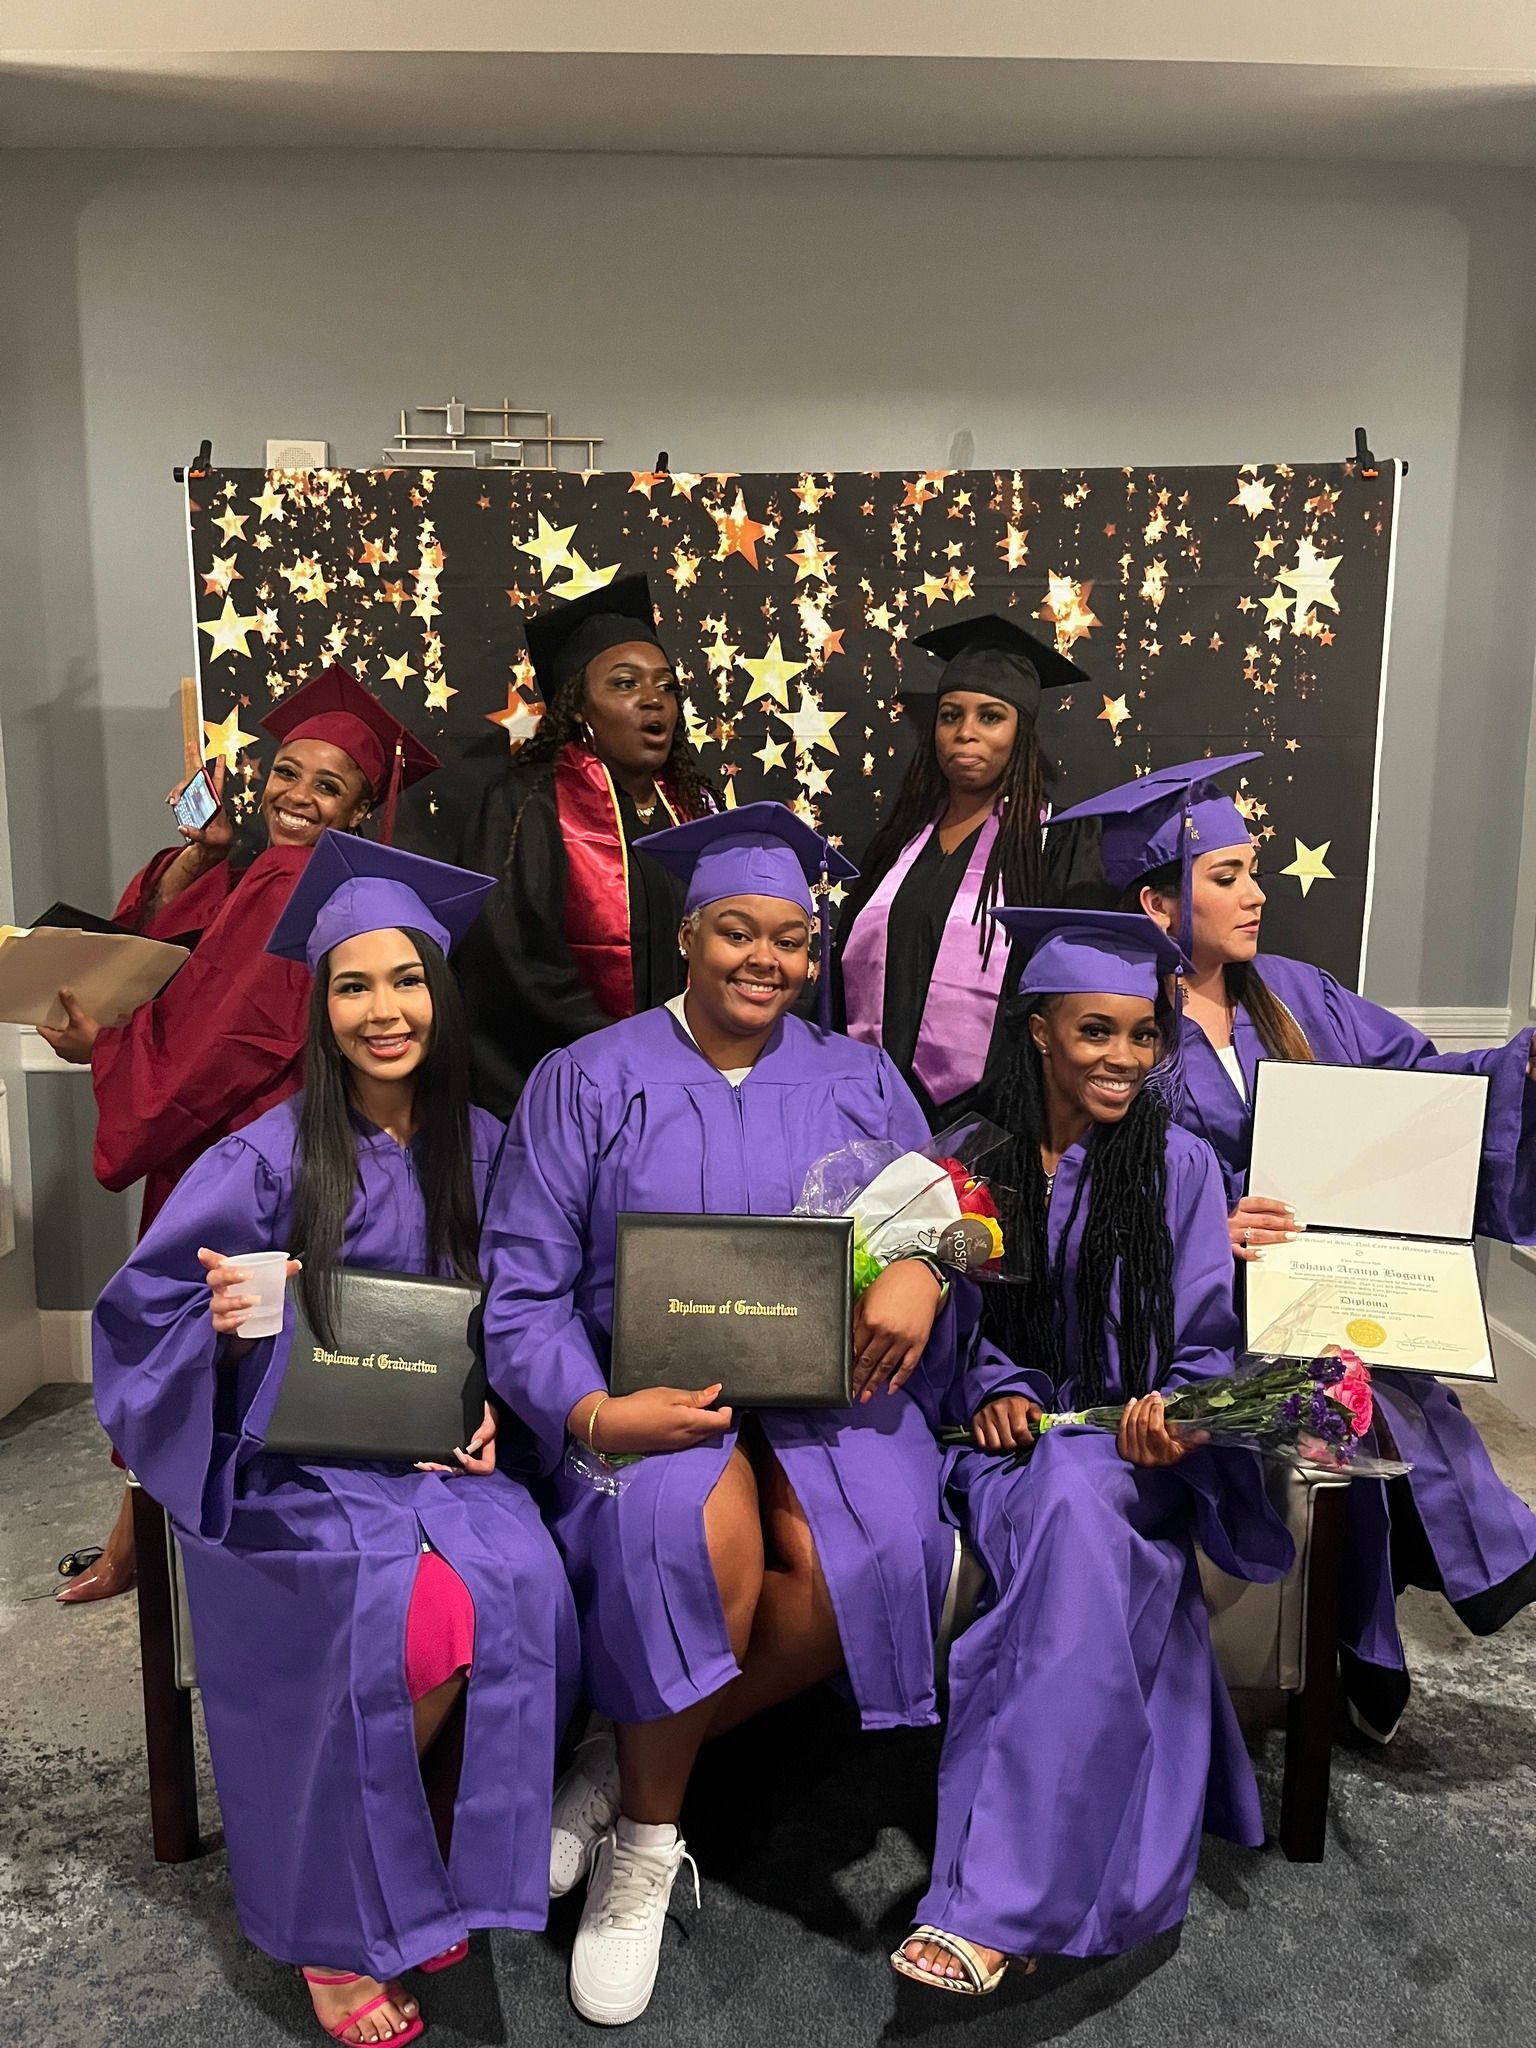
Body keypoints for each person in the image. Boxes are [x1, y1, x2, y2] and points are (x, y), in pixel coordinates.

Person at [93, 832, 578, 2048]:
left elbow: (523, 1309)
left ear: (439, 991)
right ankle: (329, 1919)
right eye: (353, 985)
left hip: (436, 1461)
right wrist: (216, 1328)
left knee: (513, 1590)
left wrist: (491, 1404)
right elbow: (136, 1317)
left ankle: (403, 1852)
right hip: (288, 1472)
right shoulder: (261, 1154)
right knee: (392, 1617)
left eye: (406, 979)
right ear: (319, 1006)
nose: (384, 1009)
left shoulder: (486, 1140)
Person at [479, 802, 957, 2026]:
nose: (766, 960)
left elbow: (938, 1214)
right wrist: (590, 1407)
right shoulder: (586, 1076)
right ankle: (644, 1846)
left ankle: (618, 1759)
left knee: (883, 1551)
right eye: (737, 931)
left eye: (791, 940)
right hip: (648, 1394)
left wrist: (930, 1264)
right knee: (685, 1537)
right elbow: (523, 1289)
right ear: (687, 935)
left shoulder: (861, 1075)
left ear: (812, 949)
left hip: (827, 1395)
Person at [1051, 754, 1536, 1742]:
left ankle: (1375, 1639)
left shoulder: (1295, 994)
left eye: (1253, 868)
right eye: (1225, 874)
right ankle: (1370, 1648)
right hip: (1191, 1304)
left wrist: (1523, 1060)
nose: (1255, 893)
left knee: (1390, 1378)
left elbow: (1423, 1089)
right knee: (1341, 1388)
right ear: (1155, 901)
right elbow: (1078, 1177)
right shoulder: (1119, 1026)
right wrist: (1199, 1223)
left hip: (1314, 1278)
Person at [894, 908, 1293, 1997]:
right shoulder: (965, 1158)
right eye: (1094, 1032)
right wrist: (992, 1385)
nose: (1123, 1057)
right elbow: (938, 1327)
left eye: (1142, 1034)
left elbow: (1211, 1343)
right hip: (1006, 1455)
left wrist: (1178, 1410)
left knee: (1079, 1498)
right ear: (1037, 1031)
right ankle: (1036, 1882)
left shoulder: (1180, 1167)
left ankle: (993, 1901)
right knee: (1061, 1505)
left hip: (1136, 1463)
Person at [51, 665, 441, 1604]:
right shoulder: (271, 872)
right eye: (287, 770)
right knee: (228, 1330)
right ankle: (144, 1534)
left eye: (329, 785)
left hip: (233, 1143)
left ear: (358, 808)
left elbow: (215, 1037)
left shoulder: (289, 882)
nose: (296, 795)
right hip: (250, 1134)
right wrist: (194, 859)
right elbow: (169, 956)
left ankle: (194, 1544)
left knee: (208, 1333)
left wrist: (103, 1048)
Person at [440, 573, 719, 1118]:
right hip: (565, 1086)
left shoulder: (694, 805)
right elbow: (509, 954)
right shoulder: (527, 804)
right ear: (577, 709)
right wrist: (621, 1052)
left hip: (692, 1084)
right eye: (624, 684)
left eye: (666, 686)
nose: (653, 701)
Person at [833, 612, 1099, 1128]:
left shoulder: (1052, 842)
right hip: (873, 1110)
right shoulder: (897, 843)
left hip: (999, 1118)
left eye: (990, 717)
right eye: (951, 715)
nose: (965, 734)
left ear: (1021, 733)